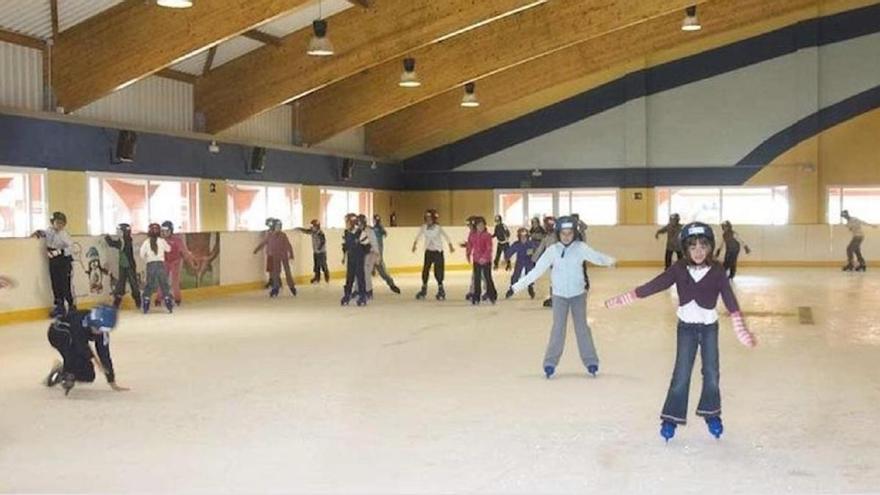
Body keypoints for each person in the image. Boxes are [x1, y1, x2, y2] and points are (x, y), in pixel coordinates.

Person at [605, 222, 757, 442]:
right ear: (685, 249)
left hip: (709, 328)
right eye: (692, 247)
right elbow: (656, 284)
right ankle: (671, 417)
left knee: (712, 373)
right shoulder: (678, 269)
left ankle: (712, 414)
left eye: (703, 246)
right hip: (686, 328)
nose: (698, 251)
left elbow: (728, 296)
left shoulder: (717, 270)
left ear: (710, 247)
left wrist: (738, 323)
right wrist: (628, 297)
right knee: (682, 373)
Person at [507, 216, 616, 379]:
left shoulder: (580, 248)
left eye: (569, 233)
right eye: (563, 233)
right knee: (558, 329)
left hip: (578, 295)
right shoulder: (552, 251)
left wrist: (611, 261)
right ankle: (550, 363)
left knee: (582, 329)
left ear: (574, 233)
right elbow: (536, 271)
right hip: (559, 296)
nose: (566, 236)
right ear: (558, 234)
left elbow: (597, 257)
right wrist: (515, 287)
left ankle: (591, 361)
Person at [44, 304, 129, 396]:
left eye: (103, 330)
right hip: (58, 334)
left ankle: (61, 372)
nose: (99, 332)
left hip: (76, 341)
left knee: (88, 375)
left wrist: (111, 381)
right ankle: (67, 373)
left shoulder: (102, 332)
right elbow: (80, 345)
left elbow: (104, 355)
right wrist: (95, 361)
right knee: (73, 353)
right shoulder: (79, 321)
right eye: (97, 328)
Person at [412, 209, 455, 300]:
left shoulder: (438, 227)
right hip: (428, 251)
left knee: (438, 270)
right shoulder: (424, 227)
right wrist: (414, 244)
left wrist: (450, 246)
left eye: (430, 218)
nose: (428, 220)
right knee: (425, 269)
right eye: (427, 218)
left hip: (438, 251)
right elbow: (418, 236)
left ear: (434, 219)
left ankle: (440, 288)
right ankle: (424, 287)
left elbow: (446, 236)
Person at [253, 219, 297, 298]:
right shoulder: (269, 235)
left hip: (283, 256)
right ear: (273, 227)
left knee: (287, 271)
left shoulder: (283, 235)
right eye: (277, 226)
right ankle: (275, 287)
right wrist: (257, 249)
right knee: (275, 273)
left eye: (280, 226)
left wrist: (291, 254)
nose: (279, 228)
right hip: (274, 256)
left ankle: (291, 286)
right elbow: (263, 243)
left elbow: (288, 245)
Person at [156, 221, 195, 305]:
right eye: (163, 231)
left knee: (175, 281)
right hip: (165, 261)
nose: (164, 233)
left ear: (171, 231)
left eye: (167, 231)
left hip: (175, 262)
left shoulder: (177, 240)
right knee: (162, 280)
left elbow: (184, 252)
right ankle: (158, 298)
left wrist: (190, 259)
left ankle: (177, 298)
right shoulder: (160, 240)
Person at [361, 214, 400, 297]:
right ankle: (364, 289)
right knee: (366, 271)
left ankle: (391, 284)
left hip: (376, 254)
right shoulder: (372, 229)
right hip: (371, 254)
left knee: (381, 272)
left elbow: (383, 234)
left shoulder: (375, 229)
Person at [104, 223, 141, 309]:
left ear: (124, 232)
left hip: (129, 266)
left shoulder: (126, 240)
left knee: (133, 283)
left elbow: (113, 244)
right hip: (123, 265)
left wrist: (107, 237)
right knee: (121, 283)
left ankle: (138, 300)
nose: (117, 233)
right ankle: (117, 300)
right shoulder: (125, 239)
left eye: (119, 231)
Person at [45, 211, 75, 317]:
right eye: (57, 222)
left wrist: (59, 252)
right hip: (53, 261)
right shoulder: (49, 231)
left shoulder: (64, 234)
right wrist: (37, 233)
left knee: (65, 284)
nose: (59, 225)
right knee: (55, 284)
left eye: (62, 223)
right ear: (52, 222)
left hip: (64, 260)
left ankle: (71, 306)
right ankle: (59, 306)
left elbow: (71, 247)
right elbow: (44, 235)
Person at [139, 223, 174, 314]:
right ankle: (168, 304)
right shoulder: (162, 241)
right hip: (160, 265)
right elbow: (169, 249)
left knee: (149, 285)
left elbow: (141, 254)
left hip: (150, 265)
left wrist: (148, 258)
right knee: (164, 284)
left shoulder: (146, 242)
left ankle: (146, 305)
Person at [466, 217, 497, 305]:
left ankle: (492, 295)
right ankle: (476, 297)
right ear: (476, 226)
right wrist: (468, 254)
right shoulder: (472, 235)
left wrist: (484, 258)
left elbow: (489, 248)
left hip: (486, 261)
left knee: (488, 278)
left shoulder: (487, 235)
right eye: (479, 225)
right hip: (476, 260)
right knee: (477, 278)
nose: (481, 227)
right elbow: (469, 245)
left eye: (482, 225)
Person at [341, 213, 370, 306]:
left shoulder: (361, 233)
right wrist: (344, 255)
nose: (346, 224)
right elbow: (345, 245)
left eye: (347, 222)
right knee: (349, 277)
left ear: (352, 223)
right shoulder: (346, 233)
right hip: (351, 258)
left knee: (360, 277)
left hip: (359, 258)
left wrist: (361, 254)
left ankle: (362, 296)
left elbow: (367, 246)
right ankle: (347, 294)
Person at [504, 227, 538, 299]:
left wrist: (535, 257)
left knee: (529, 275)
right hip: (520, 263)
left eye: (525, 237)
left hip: (529, 263)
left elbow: (537, 251)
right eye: (521, 237)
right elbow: (510, 251)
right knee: (515, 276)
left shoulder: (531, 244)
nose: (523, 238)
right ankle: (512, 289)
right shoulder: (517, 244)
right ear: (519, 237)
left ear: (527, 237)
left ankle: (530, 287)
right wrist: (507, 257)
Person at [531, 216, 557, 308]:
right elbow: (541, 248)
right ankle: (554, 297)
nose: (547, 227)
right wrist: (533, 259)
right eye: (546, 225)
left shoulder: (559, 236)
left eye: (548, 225)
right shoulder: (547, 237)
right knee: (553, 280)